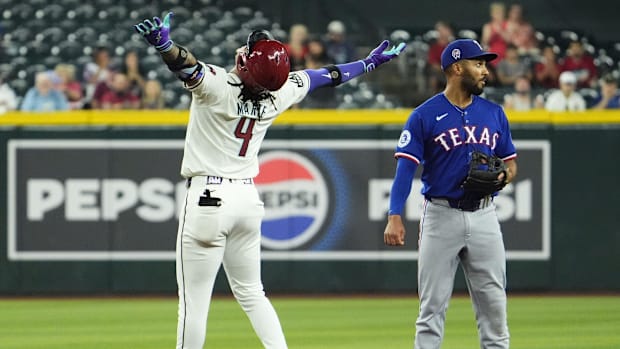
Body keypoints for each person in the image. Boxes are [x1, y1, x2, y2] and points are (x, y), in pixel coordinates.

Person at [134, 12, 405, 349]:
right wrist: (367, 64)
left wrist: (164, 45)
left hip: (207, 197)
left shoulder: (218, 86)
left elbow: (184, 65)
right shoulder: (282, 92)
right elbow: (330, 75)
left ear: (246, 65)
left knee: (193, 303)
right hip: (247, 201)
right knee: (252, 294)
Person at [383, 39, 517, 349]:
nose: (485, 71)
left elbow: (511, 164)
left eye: (485, 64)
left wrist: (502, 177)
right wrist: (394, 215)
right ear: (457, 68)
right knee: (432, 309)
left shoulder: (494, 113)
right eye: (478, 64)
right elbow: (405, 169)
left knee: (494, 309)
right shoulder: (423, 115)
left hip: (485, 215)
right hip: (441, 216)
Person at [426, 21, 454, 94]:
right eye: (440, 31)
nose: (442, 33)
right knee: (434, 77)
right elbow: (433, 64)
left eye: (445, 30)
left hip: (454, 72)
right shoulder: (434, 48)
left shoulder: (453, 46)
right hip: (440, 73)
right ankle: (433, 99)